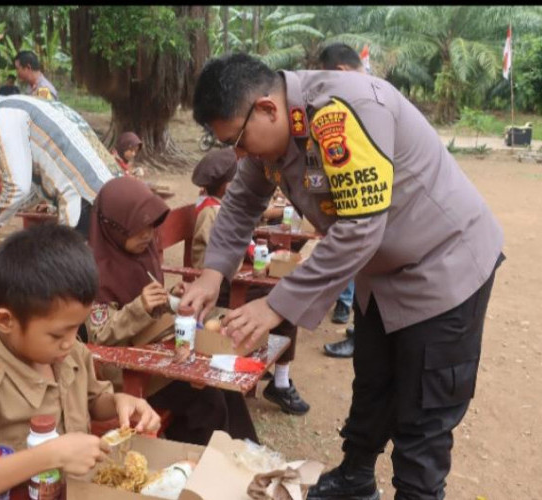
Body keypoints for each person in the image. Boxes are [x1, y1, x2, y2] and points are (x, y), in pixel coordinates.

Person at [182, 52, 505, 500]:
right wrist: (213, 273)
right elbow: (239, 203)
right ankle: (355, 477)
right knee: (373, 382)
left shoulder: (342, 112)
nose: (240, 155)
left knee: (425, 412)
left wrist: (275, 304)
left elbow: (360, 228)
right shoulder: (269, 134)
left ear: (268, 109)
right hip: (381, 276)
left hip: (442, 269)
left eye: (238, 140)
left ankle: (418, 493)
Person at [0, 223, 161, 500]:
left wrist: (119, 403)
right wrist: (49, 455)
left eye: (77, 328)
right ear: (5, 321)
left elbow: (91, 400)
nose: (70, 341)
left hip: (77, 488)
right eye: (57, 333)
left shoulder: (68, 351)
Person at [85, 176, 259, 444]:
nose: (148, 235)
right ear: (114, 226)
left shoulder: (139, 254)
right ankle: (203, 469)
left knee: (224, 385)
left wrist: (168, 298)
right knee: (205, 400)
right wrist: (140, 306)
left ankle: (246, 454)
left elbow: (148, 306)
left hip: (154, 351)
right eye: (138, 228)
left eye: (152, 226)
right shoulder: (93, 272)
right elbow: (100, 335)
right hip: (126, 369)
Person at [191, 147, 309, 415]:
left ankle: (276, 374)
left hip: (232, 278)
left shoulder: (216, 205)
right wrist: (264, 259)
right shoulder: (212, 213)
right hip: (219, 288)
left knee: (281, 295)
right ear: (227, 185)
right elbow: (223, 255)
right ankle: (279, 381)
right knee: (281, 301)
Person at [0, 92, 122, 242]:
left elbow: (17, 187)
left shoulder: (2, 115)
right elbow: (30, 186)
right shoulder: (30, 104)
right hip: (118, 193)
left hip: (86, 203)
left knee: (70, 276)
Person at [318, 42, 368, 358]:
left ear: (339, 72)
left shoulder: (360, 103)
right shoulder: (375, 94)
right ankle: (360, 332)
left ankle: (359, 334)